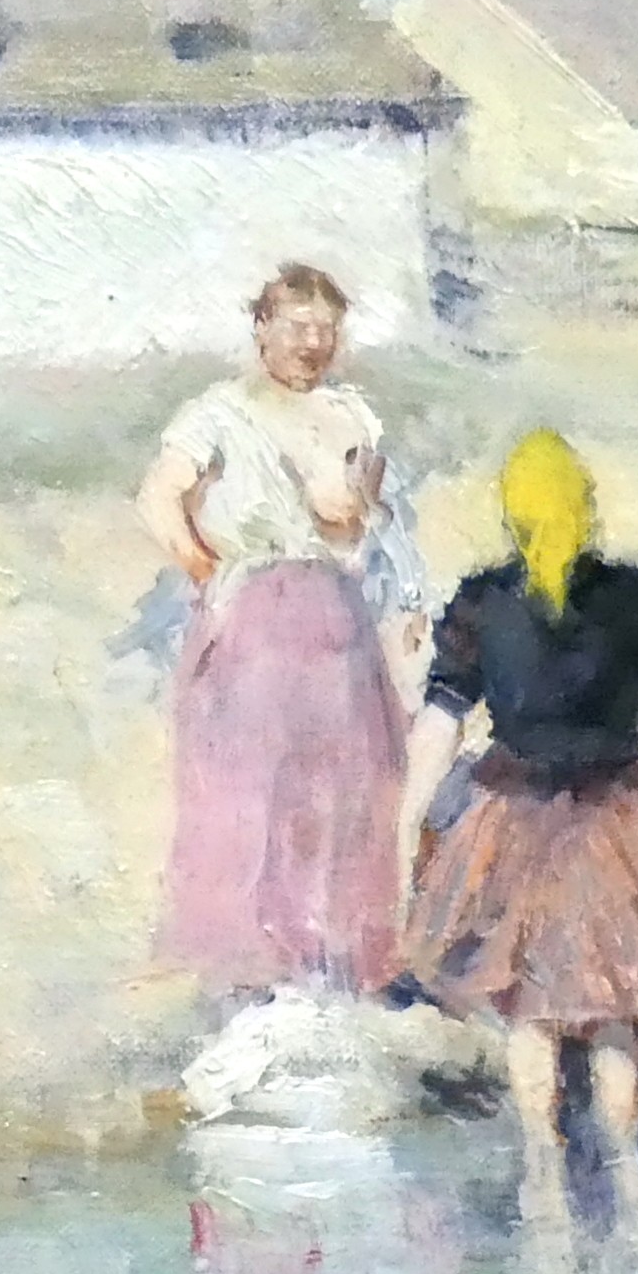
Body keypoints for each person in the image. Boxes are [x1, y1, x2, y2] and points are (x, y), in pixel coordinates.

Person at [396, 430, 638, 1263]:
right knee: (614, 1013)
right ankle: (628, 1182)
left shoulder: (482, 601)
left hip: (512, 822)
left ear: (513, 513)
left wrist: (412, 817)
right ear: (585, 505)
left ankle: (543, 1179)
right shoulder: (636, 597)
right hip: (616, 819)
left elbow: (441, 718)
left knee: (531, 1014)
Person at [139, 263, 418, 994]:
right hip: (254, 617)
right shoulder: (218, 412)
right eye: (298, 327)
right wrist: (208, 574)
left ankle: (336, 959)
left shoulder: (353, 415)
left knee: (350, 783)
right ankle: (250, 966)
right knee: (251, 786)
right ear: (262, 327)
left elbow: (358, 523)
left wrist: (355, 516)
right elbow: (159, 499)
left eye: (326, 330)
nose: (313, 344)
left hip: (338, 617)